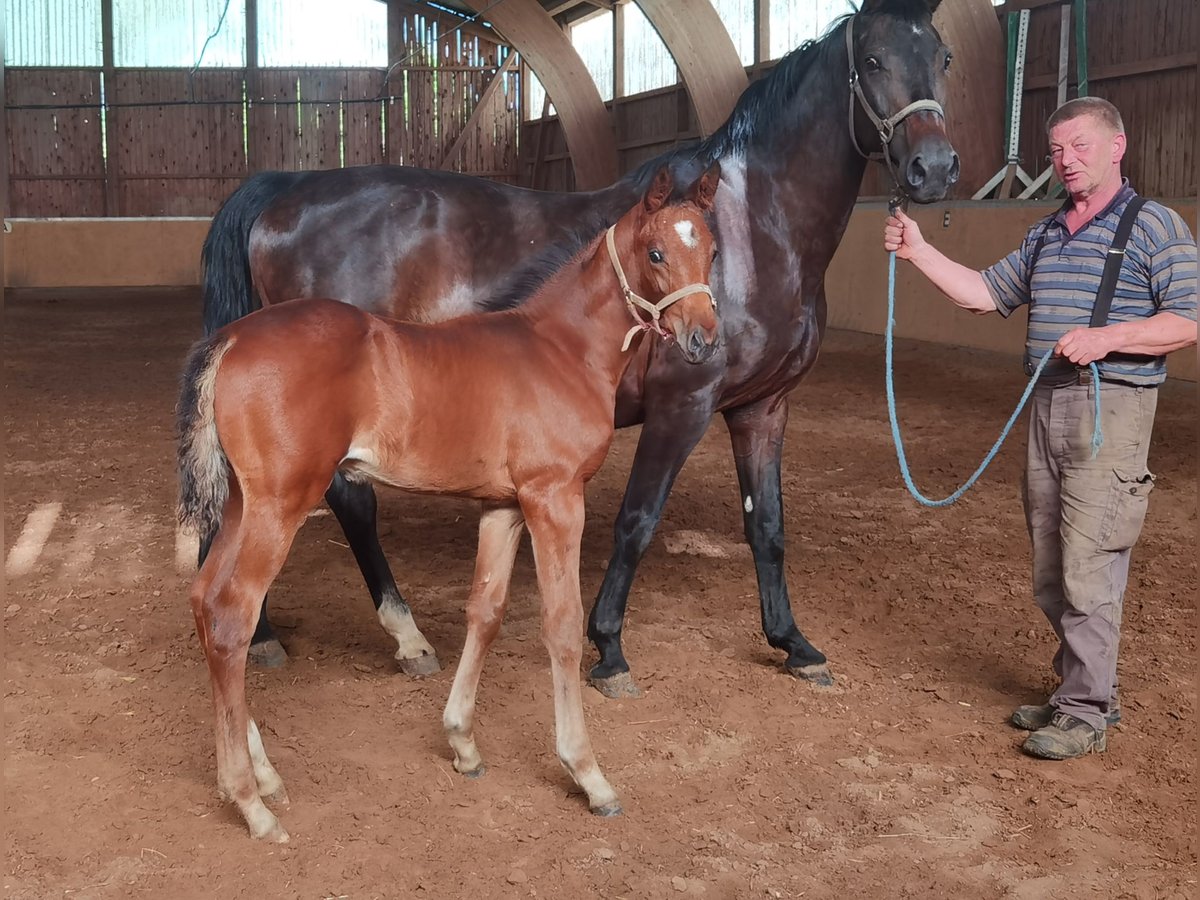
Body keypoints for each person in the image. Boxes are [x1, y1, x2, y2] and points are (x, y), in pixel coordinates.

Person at [882, 96, 1197, 760]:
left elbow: (1189, 320)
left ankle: (1086, 710)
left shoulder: (1154, 227)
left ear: (1117, 147)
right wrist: (919, 251)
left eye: (1080, 146)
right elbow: (984, 293)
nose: (1066, 160)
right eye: (1057, 150)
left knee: (1089, 565)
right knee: (1051, 572)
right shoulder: (1048, 232)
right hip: (1046, 405)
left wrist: (1109, 337)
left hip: (1110, 412)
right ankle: (1083, 691)